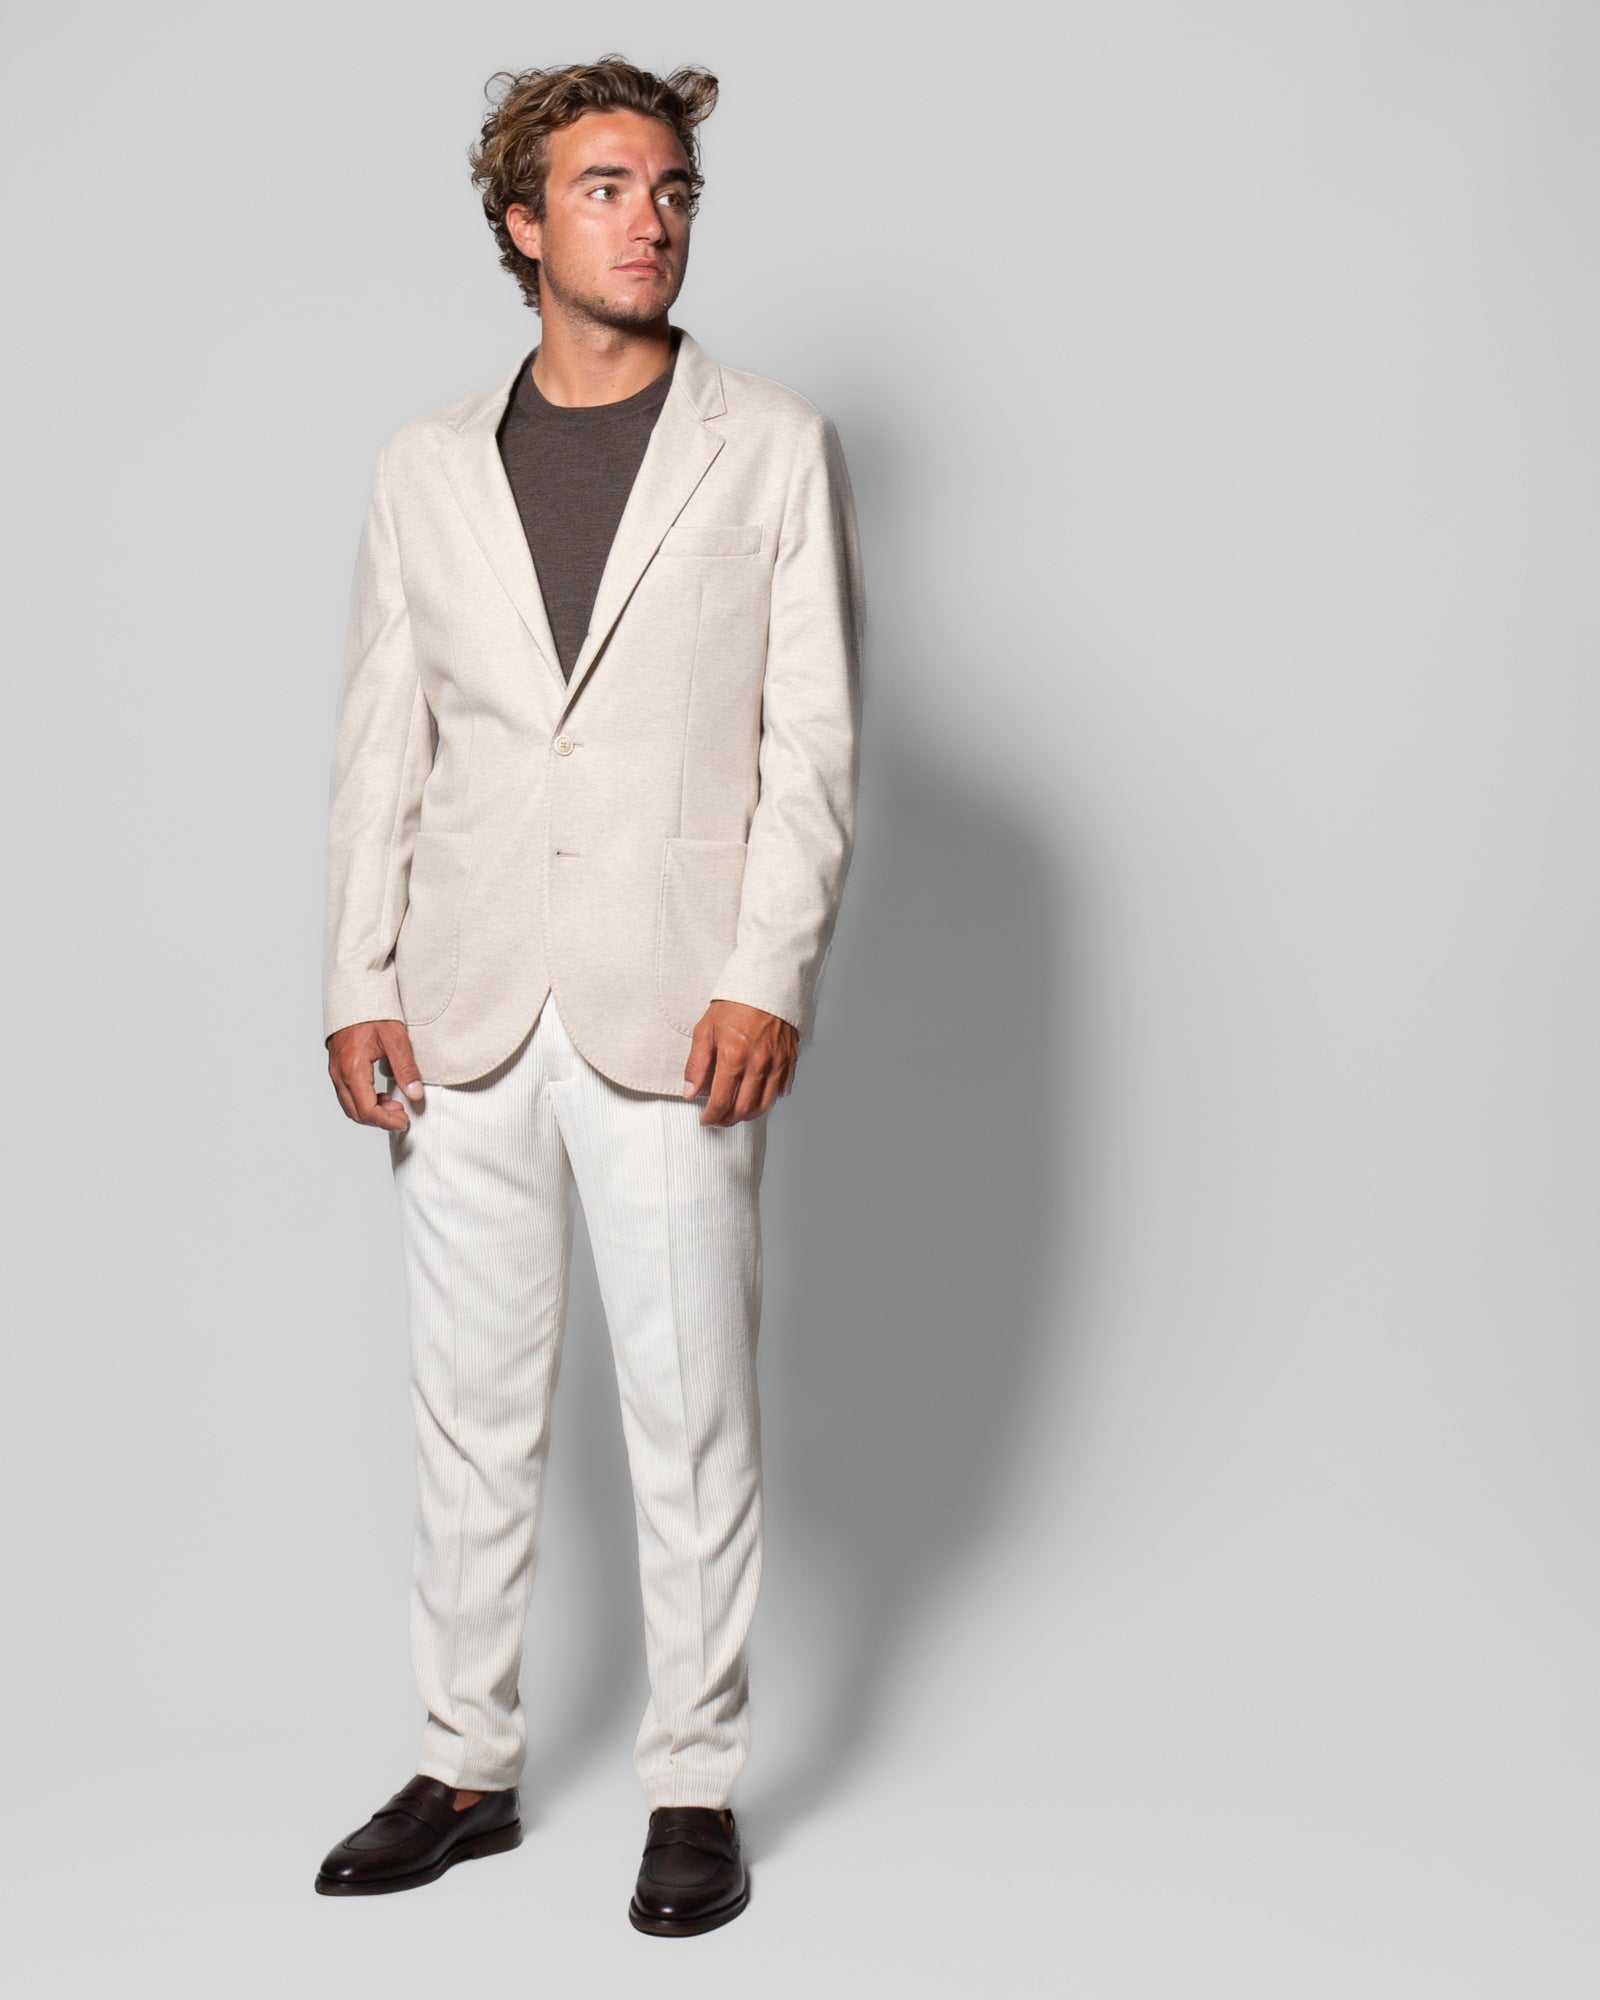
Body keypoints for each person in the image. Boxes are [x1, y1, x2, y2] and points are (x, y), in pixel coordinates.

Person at [311, 55, 865, 1937]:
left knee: (690, 1410)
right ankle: (464, 1763)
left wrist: (765, 972)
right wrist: (354, 977)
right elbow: (382, 744)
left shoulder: (768, 444)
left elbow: (812, 744)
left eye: (674, 187)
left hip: (675, 998)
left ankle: (692, 1784)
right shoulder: (423, 465)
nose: (653, 218)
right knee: (469, 1416)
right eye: (609, 187)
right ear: (522, 224)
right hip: (462, 995)